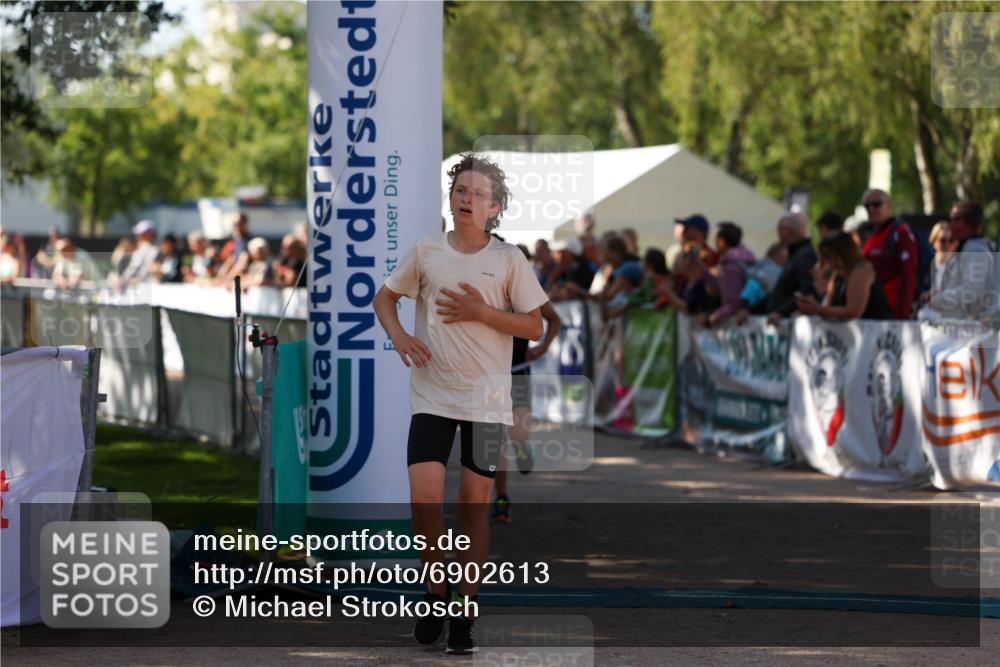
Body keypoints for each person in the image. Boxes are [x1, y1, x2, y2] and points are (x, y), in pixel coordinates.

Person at [371, 154, 546, 655]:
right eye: (461, 191)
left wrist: (482, 312)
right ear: (450, 197)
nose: (467, 200)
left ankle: (465, 612)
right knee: (424, 505)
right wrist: (400, 336)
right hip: (433, 395)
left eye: (479, 194)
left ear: (495, 208)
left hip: (487, 403)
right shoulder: (426, 250)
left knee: (473, 508)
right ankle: (435, 593)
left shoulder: (509, 259)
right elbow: (384, 299)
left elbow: (535, 326)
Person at [493, 298, 561, 524]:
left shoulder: (524, 289)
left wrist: (543, 347)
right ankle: (502, 499)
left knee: (518, 437)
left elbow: (554, 319)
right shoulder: (482, 286)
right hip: (490, 378)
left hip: (518, 374)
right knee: (497, 443)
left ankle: (523, 449)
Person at [796, 232, 892, 321]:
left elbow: (853, 311)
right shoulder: (837, 275)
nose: (824, 260)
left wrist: (818, 309)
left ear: (842, 253)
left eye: (827, 255)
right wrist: (811, 307)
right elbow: (829, 307)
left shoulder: (861, 272)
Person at [927, 200, 996, 320]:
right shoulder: (970, 247)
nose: (950, 223)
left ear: (963, 222)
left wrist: (939, 299)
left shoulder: (975, 250)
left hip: (975, 325)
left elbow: (972, 291)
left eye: (953, 218)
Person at [859, 189, 918, 319]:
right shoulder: (872, 238)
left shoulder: (900, 233)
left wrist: (902, 315)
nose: (871, 209)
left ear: (889, 206)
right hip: (873, 311)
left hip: (891, 312)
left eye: (876, 204)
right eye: (867, 206)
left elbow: (908, 275)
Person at [765, 212, 817, 325]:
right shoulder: (796, 255)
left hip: (790, 325)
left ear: (788, 230)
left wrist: (782, 312)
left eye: (779, 229)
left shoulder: (804, 255)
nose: (778, 234)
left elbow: (806, 289)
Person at [707, 221, 756, 327]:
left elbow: (734, 303)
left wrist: (715, 316)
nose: (714, 244)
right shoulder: (746, 258)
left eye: (715, 239)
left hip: (739, 324)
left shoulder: (731, 266)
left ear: (721, 241)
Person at [917, 222, 956, 319]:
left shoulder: (960, 265)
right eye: (943, 240)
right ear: (934, 242)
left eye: (951, 240)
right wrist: (926, 294)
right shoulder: (925, 264)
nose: (947, 244)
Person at [120, 220, 159, 285]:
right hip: (138, 285)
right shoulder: (141, 249)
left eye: (141, 234)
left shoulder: (153, 250)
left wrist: (124, 279)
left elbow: (138, 269)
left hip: (145, 286)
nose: (138, 236)